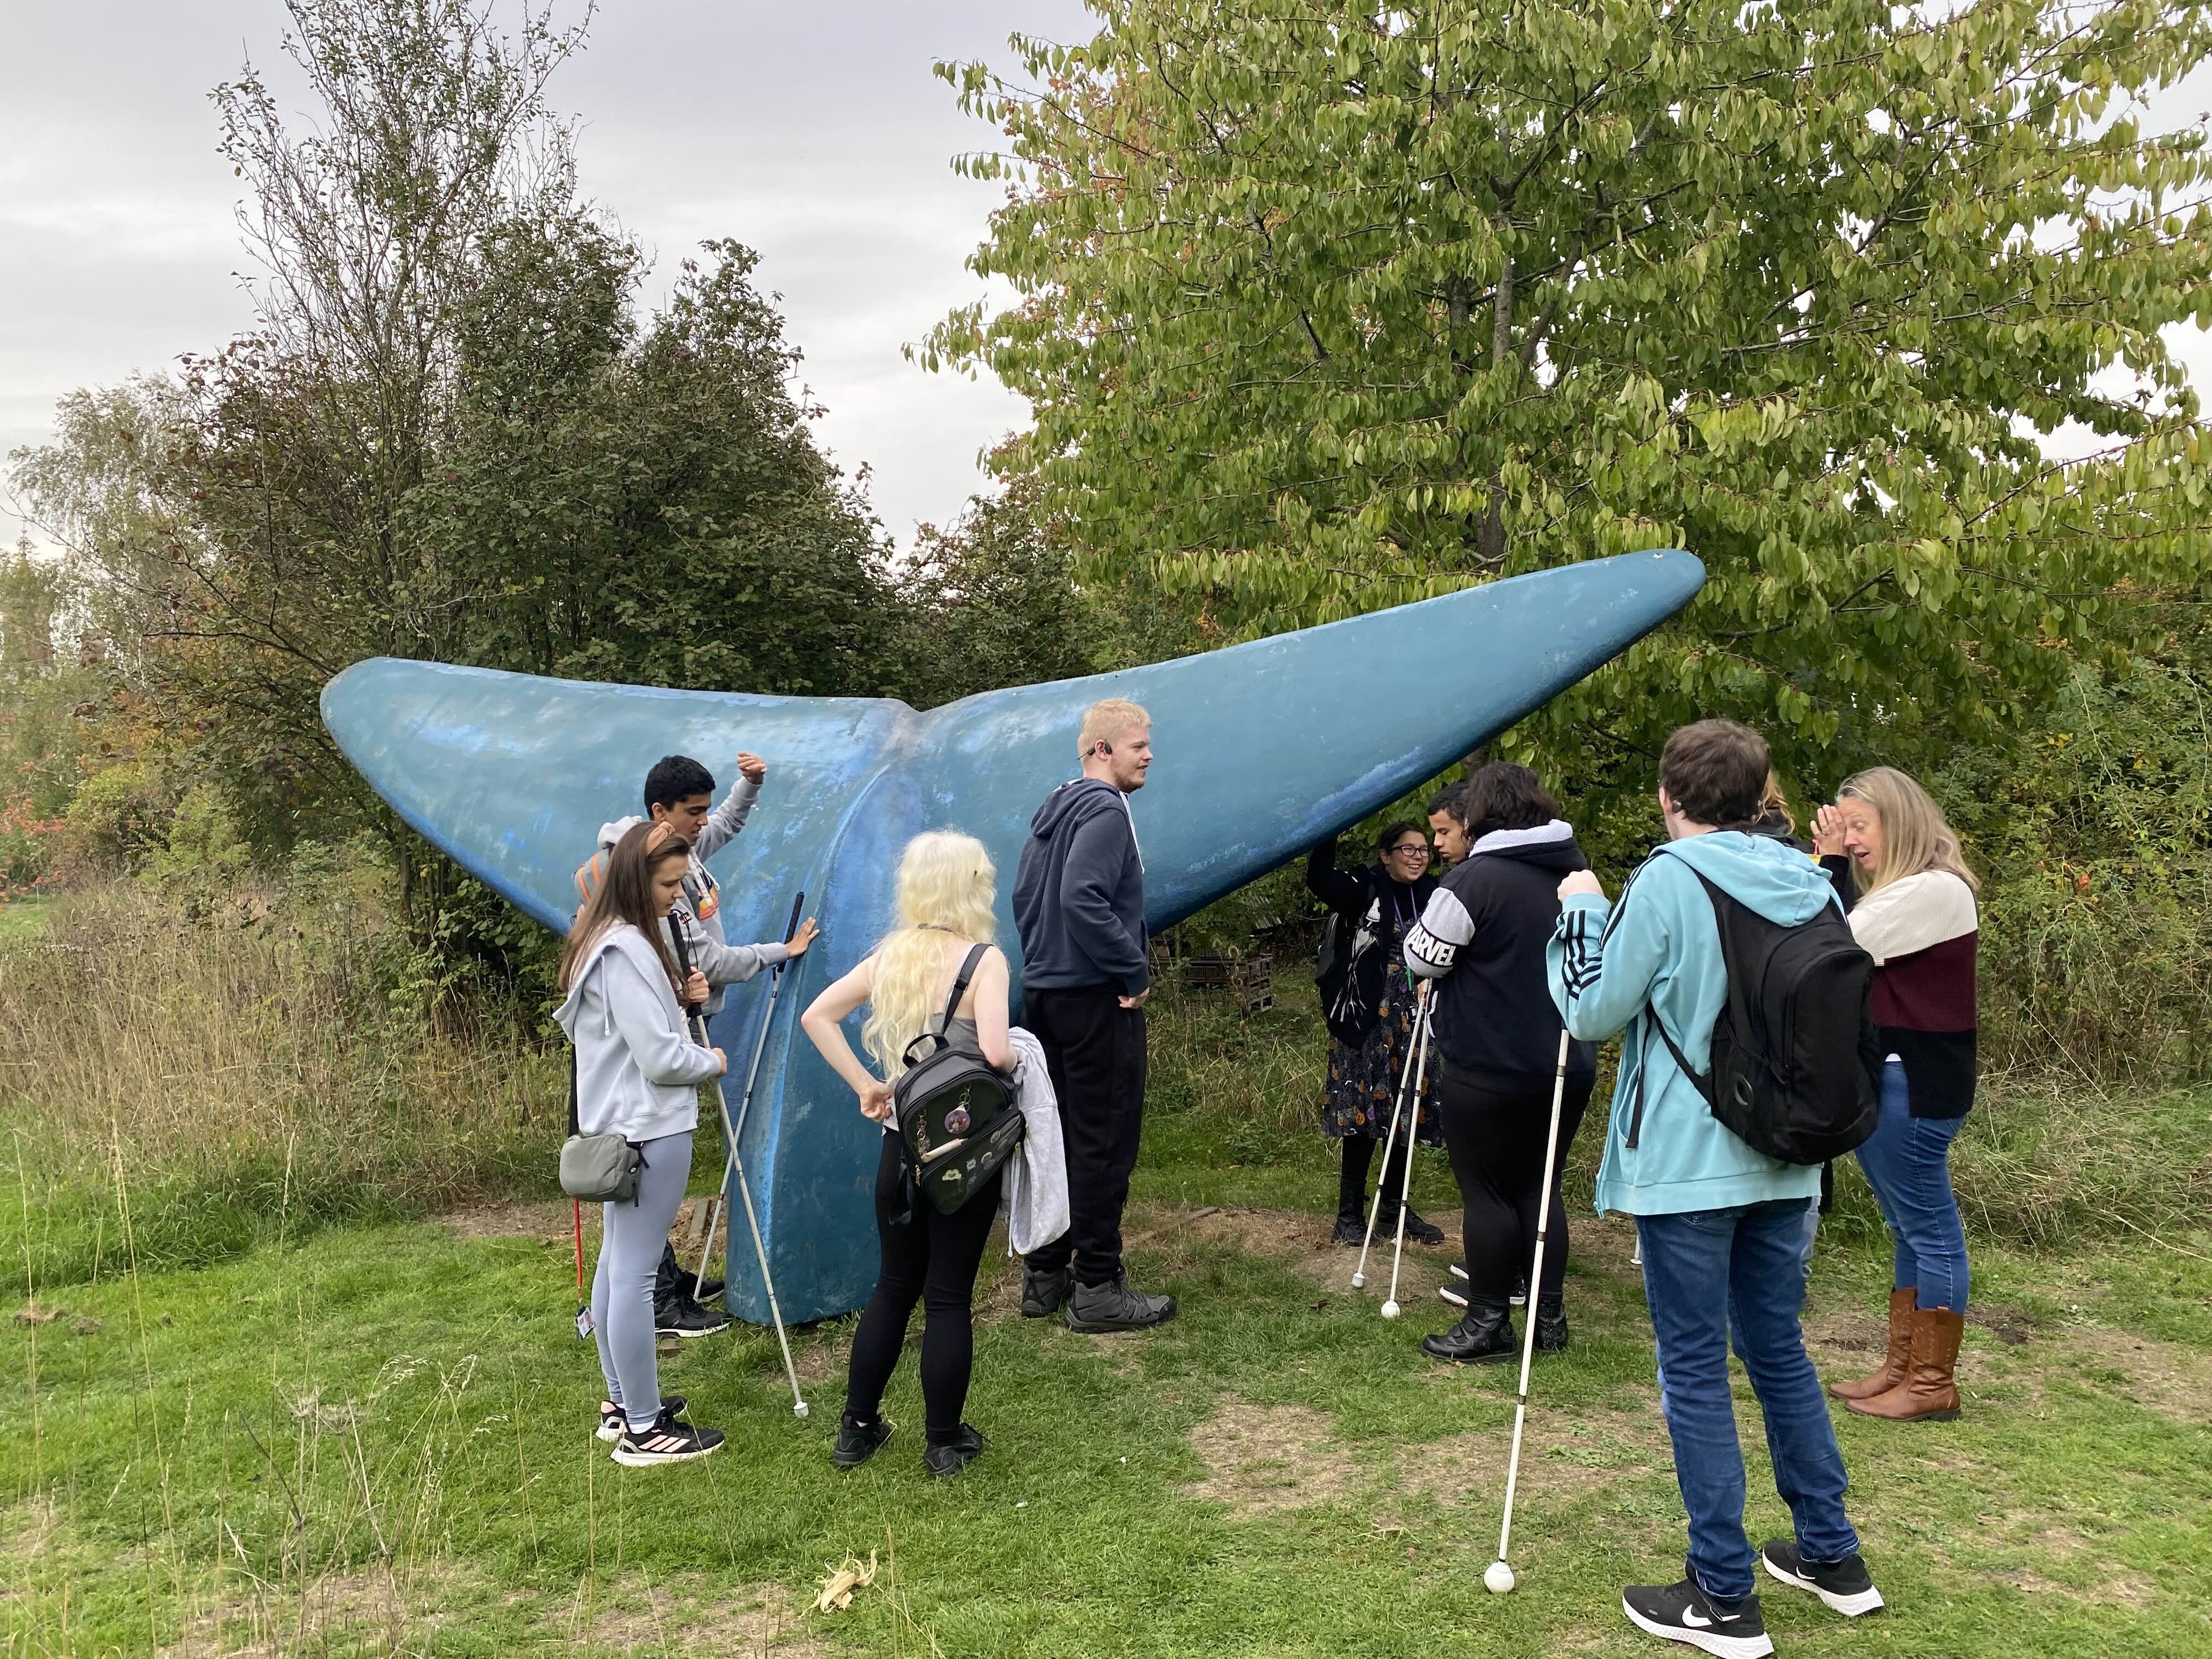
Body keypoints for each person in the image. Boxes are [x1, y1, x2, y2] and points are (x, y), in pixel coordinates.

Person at [1549, 719, 1882, 1656]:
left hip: (1690, 1163)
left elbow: (1590, 1008)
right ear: (1757, 793)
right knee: (1775, 1345)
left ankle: (1721, 1593)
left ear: (1668, 793)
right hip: (1788, 1156)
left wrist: (1580, 908)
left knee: (1693, 1366)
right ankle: (1830, 1552)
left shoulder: (1667, 878)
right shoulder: (1807, 878)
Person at [800, 832, 1018, 1477]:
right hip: (961, 1151)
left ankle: (857, 1428)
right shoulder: (984, 962)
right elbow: (1000, 1055)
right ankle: (944, 1441)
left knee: (894, 1285)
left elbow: (818, 1015)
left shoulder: (890, 958)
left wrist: (869, 1085)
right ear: (970, 887)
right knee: (948, 1294)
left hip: (901, 1146)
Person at [595, 753, 819, 1336]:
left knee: (633, 1223)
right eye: (691, 813)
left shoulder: (679, 855)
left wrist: (751, 785)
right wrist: (780, 953)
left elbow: (724, 826)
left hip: (683, 1021)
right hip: (669, 1049)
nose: (703, 824)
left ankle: (661, 1288)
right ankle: (662, 1303)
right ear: (658, 815)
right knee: (638, 1198)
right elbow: (708, 962)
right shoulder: (646, 886)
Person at [1405, 764, 1596, 1362]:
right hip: (1566, 1060)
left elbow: (1424, 956)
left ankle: (1488, 1320)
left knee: (1486, 1192)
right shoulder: (1577, 870)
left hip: (1486, 1064)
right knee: (1543, 1190)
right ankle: (1550, 1318)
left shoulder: (1474, 880)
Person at [555, 822, 730, 1466]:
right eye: (667, 883)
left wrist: (683, 1003)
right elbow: (659, 1058)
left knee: (616, 1265)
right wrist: (709, 1059)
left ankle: (621, 1403)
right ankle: (644, 1428)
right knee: (631, 1274)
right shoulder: (626, 952)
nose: (677, 895)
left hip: (620, 1125)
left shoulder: (603, 942)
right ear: (635, 880)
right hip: (648, 1125)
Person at [1813, 767, 1979, 1424]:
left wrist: (1824, 863)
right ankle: (1905, 1366)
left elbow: (1825, 948)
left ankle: (1932, 1381)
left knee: (1930, 1229)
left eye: (1861, 826)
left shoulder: (1933, 891)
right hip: (1906, 1073)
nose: (1850, 840)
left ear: (1900, 821)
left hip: (1914, 1076)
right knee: (1910, 1226)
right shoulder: (1915, 891)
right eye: (1844, 827)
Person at [1012, 697, 1176, 1332]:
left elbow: (1026, 898)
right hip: (1096, 997)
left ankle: (1045, 1275)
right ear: (1102, 751)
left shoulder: (1052, 814)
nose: (1150, 754)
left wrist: (1044, 964)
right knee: (1102, 1139)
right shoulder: (1107, 811)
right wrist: (1133, 968)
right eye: (1139, 745)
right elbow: (1083, 898)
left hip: (1047, 996)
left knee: (1051, 1135)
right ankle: (1099, 1287)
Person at [1306, 821, 1443, 1245]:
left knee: (1405, 1112)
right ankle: (1349, 1216)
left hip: (1414, 1020)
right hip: (1365, 1020)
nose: (1418, 856)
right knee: (1362, 1115)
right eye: (1408, 849)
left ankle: (1392, 1210)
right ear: (1386, 855)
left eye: (1424, 850)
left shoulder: (1434, 897)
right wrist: (1333, 821)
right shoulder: (1365, 887)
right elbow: (1320, 880)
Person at [1747, 774, 1833, 1271]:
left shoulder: (1688, 868)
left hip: (1755, 1035)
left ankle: (1782, 1277)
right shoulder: (1809, 865)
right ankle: (1786, 1277)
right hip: (1801, 1040)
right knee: (1794, 1163)